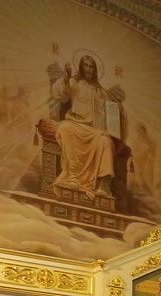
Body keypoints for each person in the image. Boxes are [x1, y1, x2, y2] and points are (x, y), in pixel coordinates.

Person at [50, 53, 121, 200]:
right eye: (86, 66)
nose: (88, 69)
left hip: (94, 130)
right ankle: (72, 177)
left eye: (91, 67)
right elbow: (60, 95)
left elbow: (110, 111)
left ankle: (102, 186)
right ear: (81, 67)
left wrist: (118, 111)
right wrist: (66, 78)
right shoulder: (74, 83)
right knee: (64, 128)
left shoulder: (100, 91)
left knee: (105, 141)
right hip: (75, 124)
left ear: (95, 70)